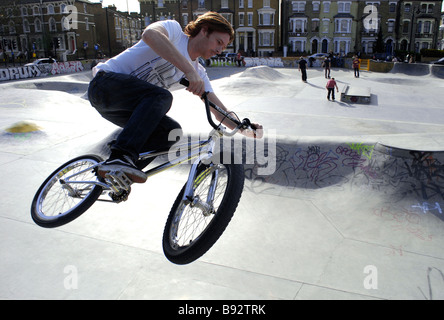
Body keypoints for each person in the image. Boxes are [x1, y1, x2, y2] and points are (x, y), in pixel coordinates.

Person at [88, 12, 263, 184]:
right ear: (204, 30)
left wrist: (244, 129)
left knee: (171, 132)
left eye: (223, 47)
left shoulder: (199, 73)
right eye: (218, 42)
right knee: (162, 96)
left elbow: (218, 111)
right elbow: (149, 35)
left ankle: (121, 175)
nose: (219, 50)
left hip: (125, 109)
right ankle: (120, 156)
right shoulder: (174, 32)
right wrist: (188, 70)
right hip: (104, 85)